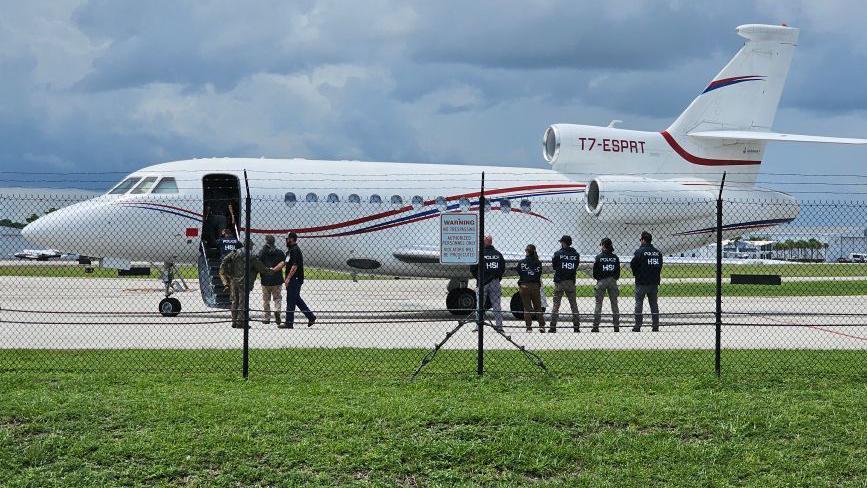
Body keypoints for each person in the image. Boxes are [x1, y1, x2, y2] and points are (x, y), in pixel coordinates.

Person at [219, 243, 274, 329]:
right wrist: (272, 271)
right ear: (249, 246)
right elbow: (261, 268)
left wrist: (227, 275)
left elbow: (224, 262)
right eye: (251, 246)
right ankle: (240, 322)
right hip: (244, 282)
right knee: (242, 302)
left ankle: (234, 321)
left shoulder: (234, 253)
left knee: (234, 301)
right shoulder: (251, 257)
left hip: (234, 281)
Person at [271, 232, 316, 329]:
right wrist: (274, 269)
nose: (286, 241)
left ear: (291, 239)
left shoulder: (295, 250)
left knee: (291, 300)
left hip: (294, 279)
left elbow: (295, 266)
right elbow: (284, 263)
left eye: (287, 239)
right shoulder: (290, 251)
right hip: (293, 279)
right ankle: (311, 317)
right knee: (296, 299)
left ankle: (289, 323)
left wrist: (288, 278)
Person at [471, 234, 506, 333]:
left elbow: (473, 268)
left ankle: (478, 326)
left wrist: (478, 277)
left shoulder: (479, 254)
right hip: (495, 281)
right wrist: (497, 278)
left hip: (482, 281)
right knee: (496, 305)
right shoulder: (498, 254)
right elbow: (502, 269)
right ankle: (499, 326)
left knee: (479, 305)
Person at [629, 231, 663, 332]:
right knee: (654, 304)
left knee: (639, 303)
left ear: (643, 240)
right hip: (653, 282)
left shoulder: (640, 252)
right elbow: (660, 266)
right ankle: (655, 325)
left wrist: (636, 273)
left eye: (640, 239)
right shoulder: (657, 252)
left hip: (641, 281)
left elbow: (633, 264)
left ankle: (638, 325)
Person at [550, 235, 580, 333]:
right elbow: (576, 266)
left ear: (563, 243)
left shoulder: (558, 254)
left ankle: (553, 326)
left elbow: (554, 266)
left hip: (560, 281)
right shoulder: (575, 254)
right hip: (570, 281)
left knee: (556, 304)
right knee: (573, 304)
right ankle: (576, 326)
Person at [592, 237, 621, 332]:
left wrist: (599, 278)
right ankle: (616, 326)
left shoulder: (599, 257)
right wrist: (612, 278)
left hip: (601, 281)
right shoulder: (615, 258)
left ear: (603, 246)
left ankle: (596, 326)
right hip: (612, 281)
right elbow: (618, 273)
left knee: (598, 304)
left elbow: (595, 272)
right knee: (614, 304)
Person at [515, 244, 545, 332]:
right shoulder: (538, 263)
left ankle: (529, 327)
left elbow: (519, 272)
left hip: (524, 286)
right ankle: (541, 326)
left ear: (527, 251)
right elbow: (539, 273)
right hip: (535, 286)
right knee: (538, 307)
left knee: (527, 308)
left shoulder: (521, 262)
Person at [257, 235, 286, 325]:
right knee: (277, 298)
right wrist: (274, 270)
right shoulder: (280, 252)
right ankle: (277, 311)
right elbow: (283, 262)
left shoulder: (262, 252)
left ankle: (267, 318)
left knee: (266, 300)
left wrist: (266, 270)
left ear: (266, 242)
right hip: (277, 279)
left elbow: (258, 263)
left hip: (266, 280)